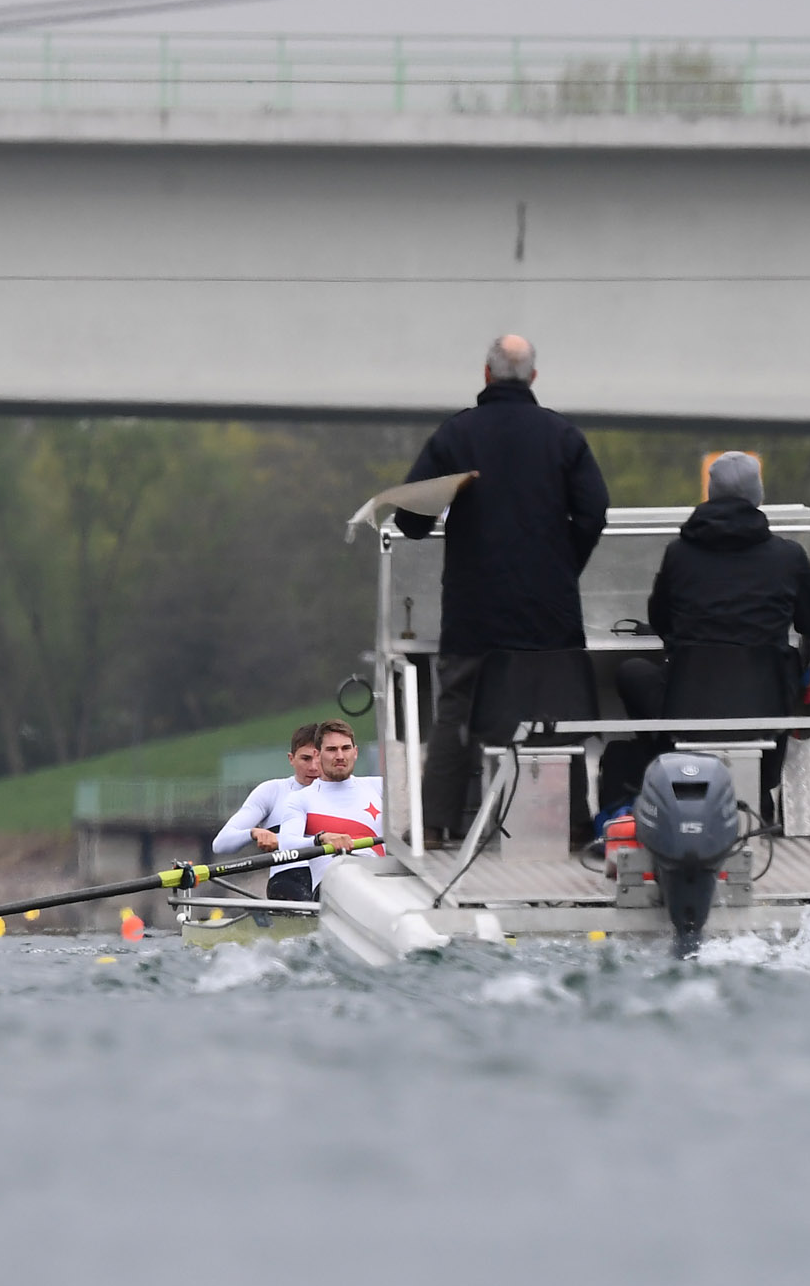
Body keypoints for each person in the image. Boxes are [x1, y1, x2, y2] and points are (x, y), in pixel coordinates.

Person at [394, 334, 609, 842]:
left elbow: (411, 521)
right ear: (533, 378)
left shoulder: (456, 435)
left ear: (486, 375)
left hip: (474, 611)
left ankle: (436, 826)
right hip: (548, 611)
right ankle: (575, 824)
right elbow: (594, 512)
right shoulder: (563, 436)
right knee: (560, 716)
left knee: (457, 713)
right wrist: (562, 567)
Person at [637, 451, 810, 814]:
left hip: (688, 708)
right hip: (763, 707)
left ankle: (661, 773)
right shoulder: (787, 557)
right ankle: (761, 789)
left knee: (632, 674)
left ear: (710, 494)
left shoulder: (679, 554)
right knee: (786, 671)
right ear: (757, 497)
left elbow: (661, 621)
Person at [210, 723, 323, 903]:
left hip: (334, 879)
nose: (314, 767)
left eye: (319, 759)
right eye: (306, 759)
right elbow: (220, 844)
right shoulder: (272, 791)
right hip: (289, 881)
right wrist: (254, 833)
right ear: (291, 759)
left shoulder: (348, 793)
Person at [288, 720, 385, 888]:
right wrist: (321, 839)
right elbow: (288, 845)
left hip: (380, 883)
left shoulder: (380, 787)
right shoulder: (300, 799)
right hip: (332, 891)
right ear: (317, 755)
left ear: (355, 752)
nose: (340, 756)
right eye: (332, 749)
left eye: (346, 748)